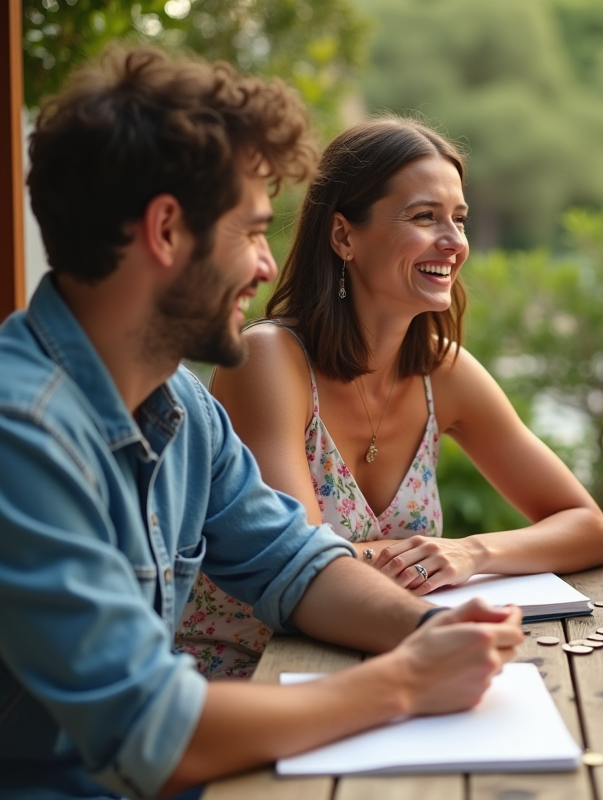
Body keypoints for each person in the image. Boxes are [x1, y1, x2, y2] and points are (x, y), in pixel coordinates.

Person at [0, 47, 525, 800]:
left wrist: (426, 631)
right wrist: (406, 682)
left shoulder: (185, 412)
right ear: (167, 231)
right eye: (251, 231)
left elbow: (294, 563)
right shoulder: (21, 434)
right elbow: (151, 730)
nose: (267, 264)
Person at [175, 117, 603, 678]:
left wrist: (470, 552)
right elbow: (305, 561)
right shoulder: (268, 360)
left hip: (379, 657)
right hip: (249, 674)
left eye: (459, 219)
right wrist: (413, 563)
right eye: (423, 217)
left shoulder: (443, 370)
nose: (454, 242)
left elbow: (587, 527)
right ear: (343, 236)